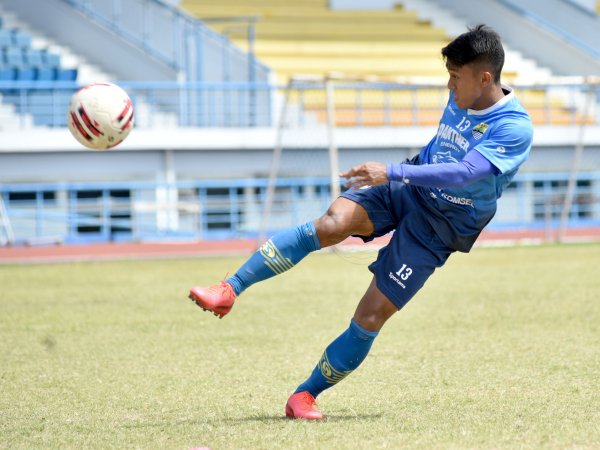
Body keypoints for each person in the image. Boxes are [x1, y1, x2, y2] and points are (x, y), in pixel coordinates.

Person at [187, 24, 533, 420]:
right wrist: (399, 175)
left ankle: (305, 395)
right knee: (333, 222)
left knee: (370, 315)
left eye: (455, 78)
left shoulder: (514, 126)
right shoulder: (462, 94)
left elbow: (464, 172)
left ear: (484, 78)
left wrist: (391, 172)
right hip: (410, 184)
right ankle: (229, 288)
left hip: (442, 226)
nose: (449, 87)